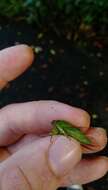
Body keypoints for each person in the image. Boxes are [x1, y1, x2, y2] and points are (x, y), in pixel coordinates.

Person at [0, 45, 107, 190]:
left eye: (55, 122)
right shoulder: (58, 126)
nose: (53, 123)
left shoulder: (61, 125)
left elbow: (64, 132)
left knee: (82, 138)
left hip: (72, 133)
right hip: (71, 133)